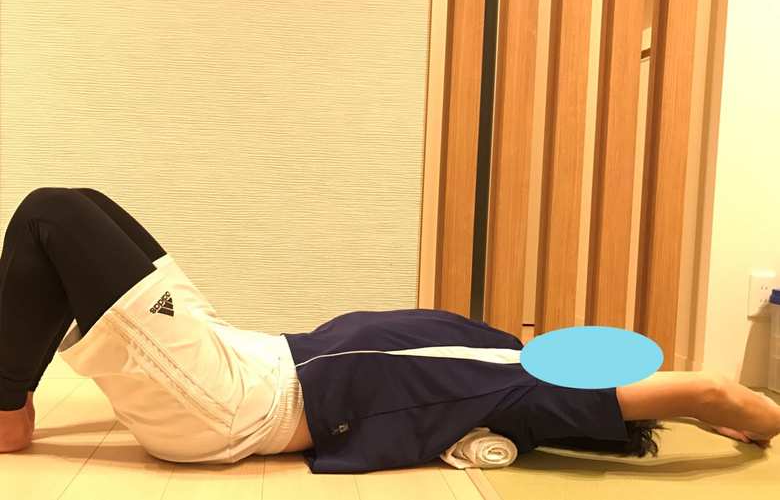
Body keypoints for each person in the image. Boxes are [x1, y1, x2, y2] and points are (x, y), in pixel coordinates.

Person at [0, 188, 778, 474]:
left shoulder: (521, 394)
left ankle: (6, 407)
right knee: (85, 203)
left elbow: (716, 389)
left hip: (230, 404)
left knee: (49, 215)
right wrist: (696, 413)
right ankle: (16, 395)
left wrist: (733, 408)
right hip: (243, 353)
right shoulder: (496, 349)